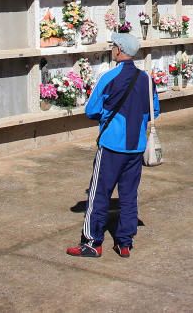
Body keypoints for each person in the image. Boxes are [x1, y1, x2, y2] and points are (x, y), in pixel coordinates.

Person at [67, 32, 160, 258]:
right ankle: (124, 243)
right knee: (129, 195)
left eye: (113, 46)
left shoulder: (109, 77)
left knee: (99, 194)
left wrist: (108, 116)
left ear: (119, 50)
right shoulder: (147, 79)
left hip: (111, 146)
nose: (112, 49)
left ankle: (92, 242)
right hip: (136, 147)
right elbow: (154, 110)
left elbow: (91, 110)